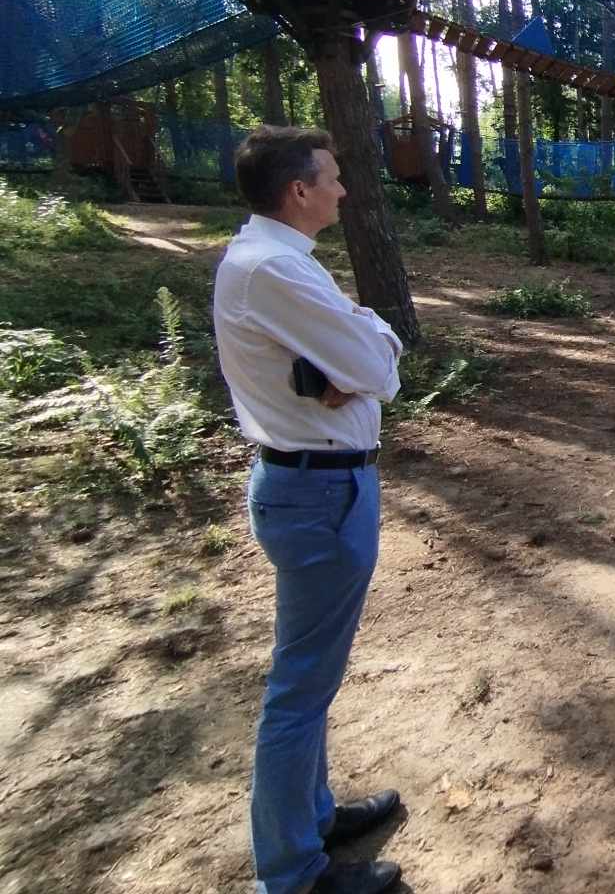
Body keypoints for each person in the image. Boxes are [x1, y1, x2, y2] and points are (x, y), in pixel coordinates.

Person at [213, 127, 407, 894]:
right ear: (299, 191)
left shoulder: (276, 261)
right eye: (332, 177)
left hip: (317, 485)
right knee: (299, 688)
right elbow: (379, 363)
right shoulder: (274, 270)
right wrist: (363, 349)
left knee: (312, 678)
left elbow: (364, 350)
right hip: (319, 492)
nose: (343, 190)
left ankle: (314, 816)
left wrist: (358, 347)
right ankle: (293, 871)